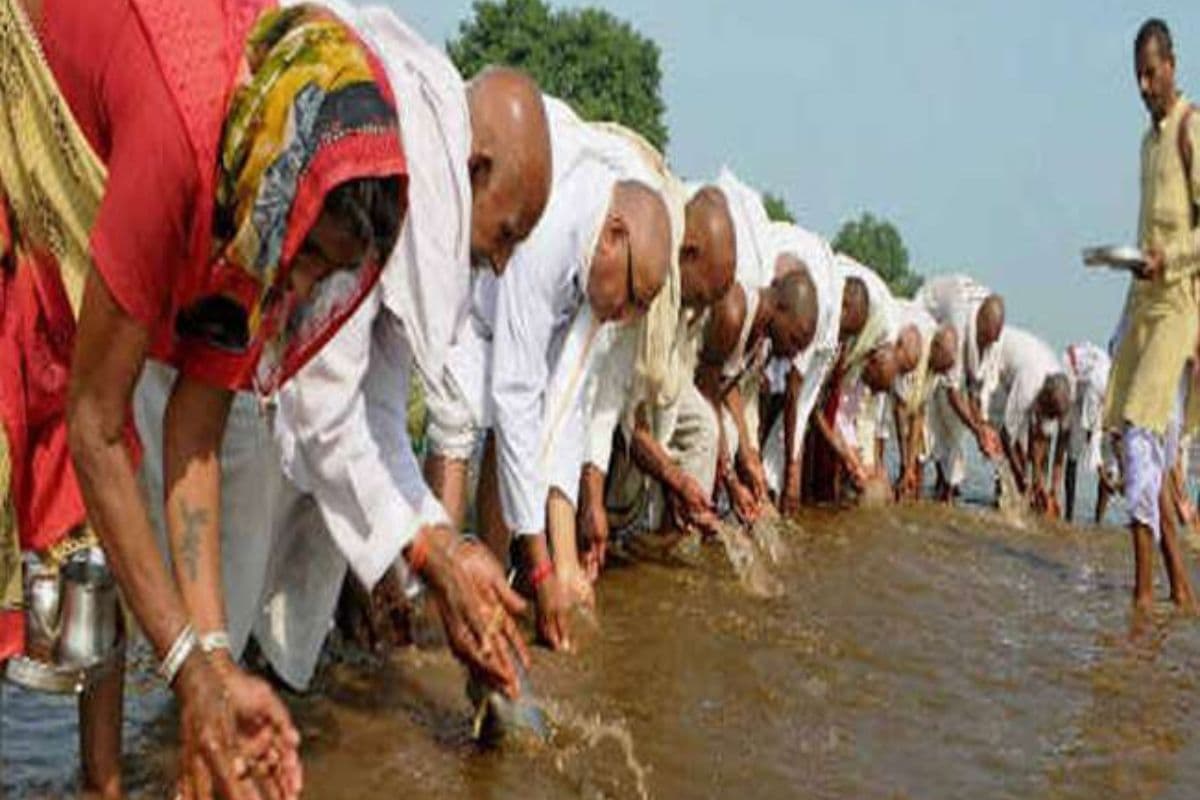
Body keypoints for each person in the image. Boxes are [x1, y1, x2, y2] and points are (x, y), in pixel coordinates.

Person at [1, 1, 409, 797]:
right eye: (312, 255)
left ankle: (102, 785)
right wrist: (190, 673)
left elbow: (193, 437)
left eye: (330, 273)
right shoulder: (184, 143)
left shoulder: (260, 189)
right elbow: (96, 429)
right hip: (23, 105)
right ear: (285, 182)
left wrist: (215, 658)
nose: (301, 284)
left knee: (108, 541)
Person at [134, 3, 554, 698]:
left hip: (261, 368)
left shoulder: (432, 171)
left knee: (276, 599)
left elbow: (375, 407)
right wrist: (429, 553)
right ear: (475, 169)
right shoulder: (391, 162)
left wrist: (438, 545)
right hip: (202, 332)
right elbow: (324, 407)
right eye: (507, 233)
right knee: (216, 621)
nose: (503, 264)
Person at [424, 96, 672, 651]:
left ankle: (488, 592)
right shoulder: (554, 228)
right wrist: (543, 569)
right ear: (613, 237)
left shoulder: (601, 271)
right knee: (458, 421)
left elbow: (561, 412)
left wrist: (559, 564)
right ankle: (433, 610)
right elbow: (514, 395)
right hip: (461, 282)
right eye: (632, 299)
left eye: (640, 308)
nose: (626, 316)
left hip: (503, 324)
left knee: (517, 435)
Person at [576, 147, 737, 582]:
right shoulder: (646, 270)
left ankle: (653, 536)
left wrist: (677, 482)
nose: (700, 310)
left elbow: (655, 391)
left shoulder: (682, 300)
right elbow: (610, 404)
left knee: (703, 427)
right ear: (687, 253)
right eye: (701, 296)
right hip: (580, 377)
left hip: (625, 395)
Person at [1104, 17, 1200, 615]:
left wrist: (1171, 259)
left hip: (1177, 304)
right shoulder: (1146, 143)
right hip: (1140, 300)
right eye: (1136, 75)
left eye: (1151, 72)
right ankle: (1180, 586)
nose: (1143, 85)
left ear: (1172, 66)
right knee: (1120, 429)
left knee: (1142, 435)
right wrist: (1139, 264)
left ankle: (1143, 598)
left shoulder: (1192, 129)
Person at [803, 255, 900, 503]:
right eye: (871, 383)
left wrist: (856, 458)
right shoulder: (841, 327)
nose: (867, 388)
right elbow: (814, 405)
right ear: (870, 362)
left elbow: (852, 415)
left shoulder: (874, 343)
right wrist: (846, 454)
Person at [917, 274, 1007, 501]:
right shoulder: (959, 320)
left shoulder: (994, 336)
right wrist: (978, 431)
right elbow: (952, 393)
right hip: (927, 322)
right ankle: (915, 482)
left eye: (991, 340)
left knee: (955, 429)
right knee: (926, 420)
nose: (988, 344)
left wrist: (983, 426)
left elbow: (977, 388)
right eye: (984, 338)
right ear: (979, 323)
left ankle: (945, 485)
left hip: (953, 344)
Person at [984, 326, 1073, 517]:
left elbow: (1041, 437)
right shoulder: (1028, 386)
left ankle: (1017, 495)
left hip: (1025, 368)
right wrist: (1021, 477)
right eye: (1046, 414)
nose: (1048, 419)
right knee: (1004, 453)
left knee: (1023, 461)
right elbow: (1006, 435)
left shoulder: (1059, 392)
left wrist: (1038, 481)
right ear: (1042, 399)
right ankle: (1000, 498)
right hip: (998, 364)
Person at [887, 302, 957, 501]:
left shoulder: (938, 359)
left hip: (906, 396)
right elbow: (900, 411)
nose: (939, 373)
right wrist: (904, 463)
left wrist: (910, 466)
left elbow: (919, 412)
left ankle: (908, 479)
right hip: (885, 369)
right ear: (934, 348)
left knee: (917, 464)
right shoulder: (916, 351)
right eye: (939, 367)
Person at [1062, 341, 1117, 523]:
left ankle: (1098, 520)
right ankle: (1068, 514)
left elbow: (1116, 443)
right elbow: (1090, 434)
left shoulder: (1125, 395)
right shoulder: (1099, 382)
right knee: (1074, 447)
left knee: (1110, 456)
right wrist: (1102, 474)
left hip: (1097, 395)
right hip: (1073, 372)